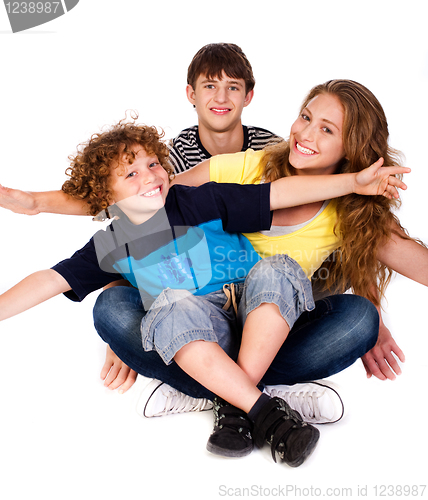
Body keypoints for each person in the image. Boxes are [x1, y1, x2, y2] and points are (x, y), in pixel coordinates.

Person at [0, 118, 407, 466]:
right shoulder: (109, 245)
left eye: (153, 163)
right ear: (106, 198)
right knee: (143, 307)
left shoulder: (198, 199)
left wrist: (355, 182)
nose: (151, 176)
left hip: (260, 320)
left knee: (291, 275)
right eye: (131, 174)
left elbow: (278, 194)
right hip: (199, 336)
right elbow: (48, 280)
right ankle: (267, 410)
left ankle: (227, 401)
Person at [92, 80, 427, 457]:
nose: (305, 133)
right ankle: (265, 401)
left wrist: (376, 316)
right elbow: (143, 210)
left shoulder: (353, 209)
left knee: (359, 319)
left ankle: (222, 398)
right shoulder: (249, 167)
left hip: (275, 336)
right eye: (306, 116)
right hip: (199, 323)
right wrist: (131, 316)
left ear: (352, 148)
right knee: (111, 308)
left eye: (327, 129)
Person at [168, 42, 282, 173]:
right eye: (210, 86)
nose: (221, 98)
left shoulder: (272, 150)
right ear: (192, 94)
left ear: (247, 97)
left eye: (233, 88)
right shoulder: (176, 155)